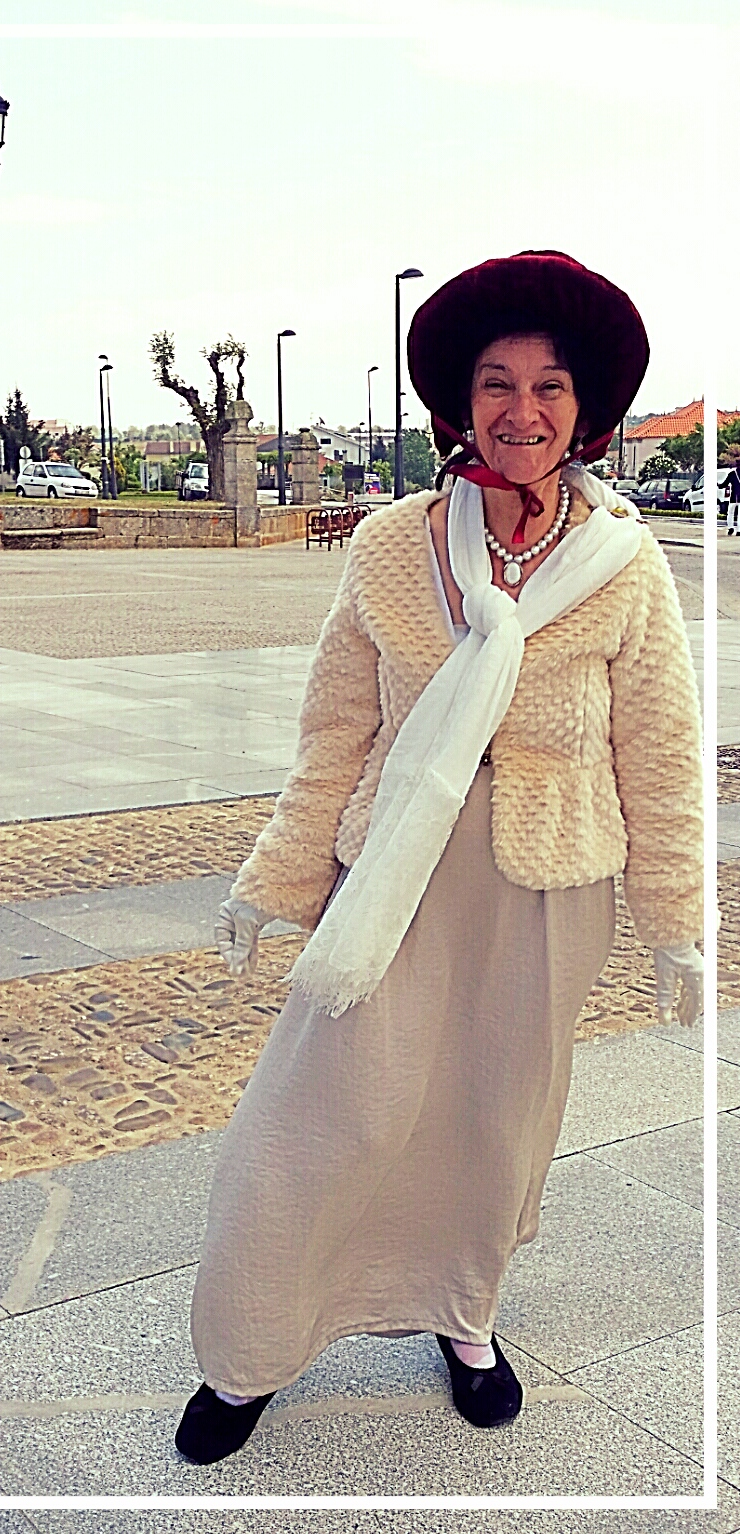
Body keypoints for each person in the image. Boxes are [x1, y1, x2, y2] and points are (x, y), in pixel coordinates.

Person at [174, 251, 704, 1467]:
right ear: (460, 404)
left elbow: (660, 751)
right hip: (395, 880)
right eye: (496, 382)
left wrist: (676, 918)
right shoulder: (388, 547)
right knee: (318, 1116)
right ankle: (249, 1350)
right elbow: (334, 733)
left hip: (547, 885)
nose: (523, 409)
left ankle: (465, 1318)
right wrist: (275, 879)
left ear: (584, 408)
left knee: (494, 1120)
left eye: (550, 385)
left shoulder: (623, 566)